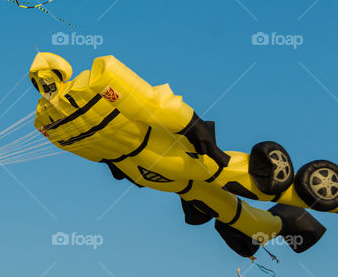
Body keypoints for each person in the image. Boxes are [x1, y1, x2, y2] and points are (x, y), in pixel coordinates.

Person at [30, 52, 329, 256]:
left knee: (215, 186)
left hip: (152, 164)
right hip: (155, 161)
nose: (45, 83)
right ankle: (297, 208)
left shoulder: (60, 110)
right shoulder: (71, 99)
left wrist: (188, 126)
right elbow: (145, 104)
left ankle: (279, 214)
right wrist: (190, 123)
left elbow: (135, 114)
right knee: (223, 185)